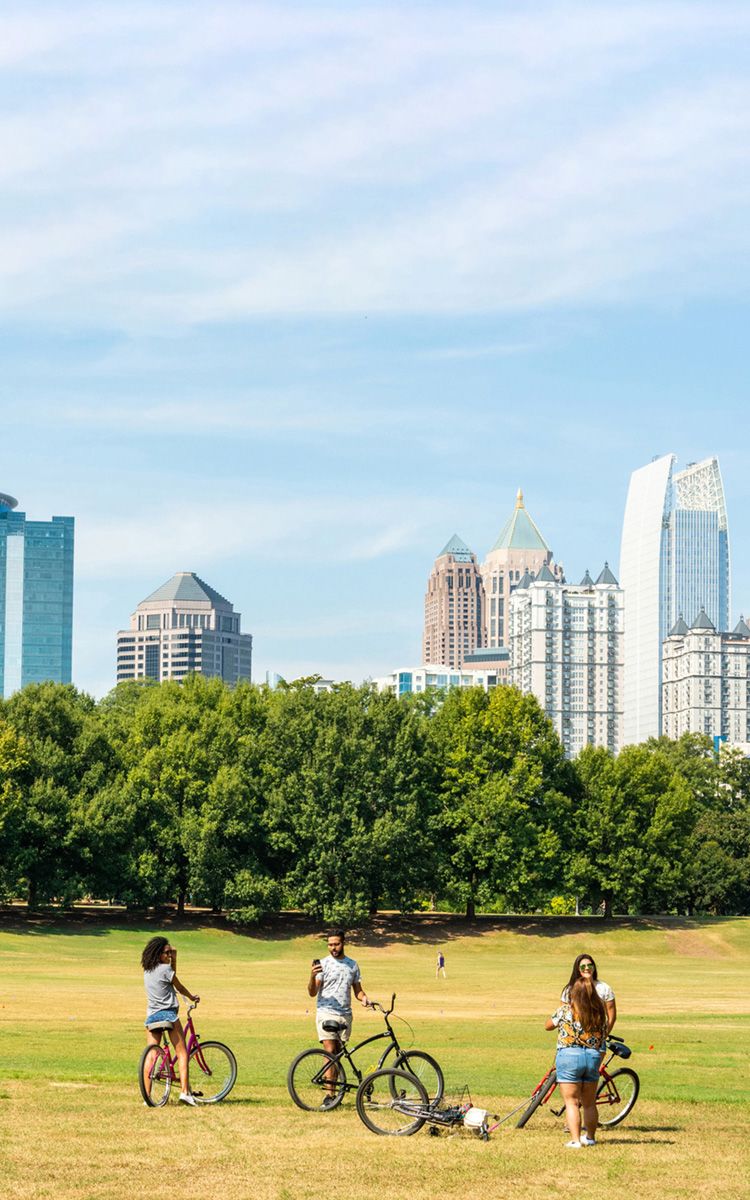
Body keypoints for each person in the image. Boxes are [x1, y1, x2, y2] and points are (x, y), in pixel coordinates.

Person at [546, 975, 609, 1148]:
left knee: (572, 1102)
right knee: (589, 1103)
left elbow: (548, 1025)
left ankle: (575, 1140)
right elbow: (604, 1035)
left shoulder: (565, 1010)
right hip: (592, 1057)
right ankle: (590, 1137)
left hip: (569, 1056)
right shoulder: (599, 1013)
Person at [307, 931, 369, 1107]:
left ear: (344, 943)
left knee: (338, 1054)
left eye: (336, 944)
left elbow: (358, 990)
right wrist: (312, 976)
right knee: (329, 1050)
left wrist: (364, 998)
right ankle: (329, 1095)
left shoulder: (352, 965)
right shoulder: (323, 964)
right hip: (326, 1011)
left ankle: (335, 1094)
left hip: (345, 1015)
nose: (333, 948)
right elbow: (312, 992)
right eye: (330, 944)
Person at [141, 936, 200, 1107]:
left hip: (152, 1017)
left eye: (170, 953)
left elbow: (170, 973)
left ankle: (148, 1098)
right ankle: (185, 1093)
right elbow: (179, 986)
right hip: (169, 1016)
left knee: (151, 1056)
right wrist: (192, 997)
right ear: (158, 954)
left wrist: (172, 957)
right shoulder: (166, 970)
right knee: (182, 1053)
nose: (169, 955)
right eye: (166, 953)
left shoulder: (147, 971)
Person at [561, 953, 616, 1032]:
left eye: (589, 965)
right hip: (574, 1040)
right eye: (583, 966)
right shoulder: (569, 990)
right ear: (577, 969)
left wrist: (603, 1036)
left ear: (593, 967)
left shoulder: (604, 988)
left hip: (596, 1038)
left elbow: (611, 1017)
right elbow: (562, 1015)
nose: (587, 968)